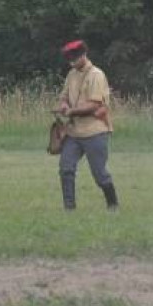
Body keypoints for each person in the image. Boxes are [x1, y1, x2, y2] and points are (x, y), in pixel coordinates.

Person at [56, 40, 118, 211]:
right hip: (74, 132)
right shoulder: (71, 74)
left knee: (100, 175)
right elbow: (64, 96)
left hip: (95, 131)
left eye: (74, 58)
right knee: (66, 168)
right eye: (69, 59)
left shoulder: (96, 75)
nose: (72, 62)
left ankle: (113, 205)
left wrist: (71, 112)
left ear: (83, 55)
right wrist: (62, 105)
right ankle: (69, 208)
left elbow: (94, 105)